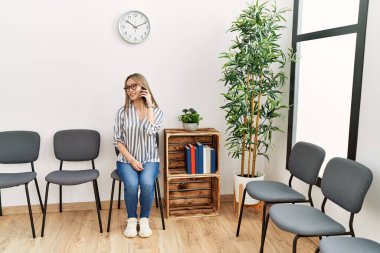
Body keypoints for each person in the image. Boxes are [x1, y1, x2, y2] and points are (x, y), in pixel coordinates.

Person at [113, 73, 163, 238]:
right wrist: (132, 159)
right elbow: (118, 141)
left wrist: (149, 105)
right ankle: (132, 219)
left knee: (147, 183)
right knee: (132, 185)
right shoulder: (122, 112)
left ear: (143, 87)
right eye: (127, 87)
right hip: (127, 160)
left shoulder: (157, 112)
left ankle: (145, 219)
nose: (130, 90)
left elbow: (150, 131)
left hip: (150, 158)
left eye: (133, 86)